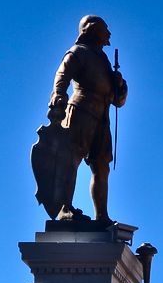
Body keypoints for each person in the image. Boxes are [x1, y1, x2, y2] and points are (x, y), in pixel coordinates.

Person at [44, 15, 127, 223]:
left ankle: (102, 216)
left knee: (101, 166)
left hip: (102, 117)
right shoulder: (79, 52)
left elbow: (118, 101)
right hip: (81, 111)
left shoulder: (104, 61)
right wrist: (58, 94)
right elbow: (62, 75)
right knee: (71, 159)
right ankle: (64, 208)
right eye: (104, 28)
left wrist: (119, 84)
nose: (108, 33)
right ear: (91, 30)